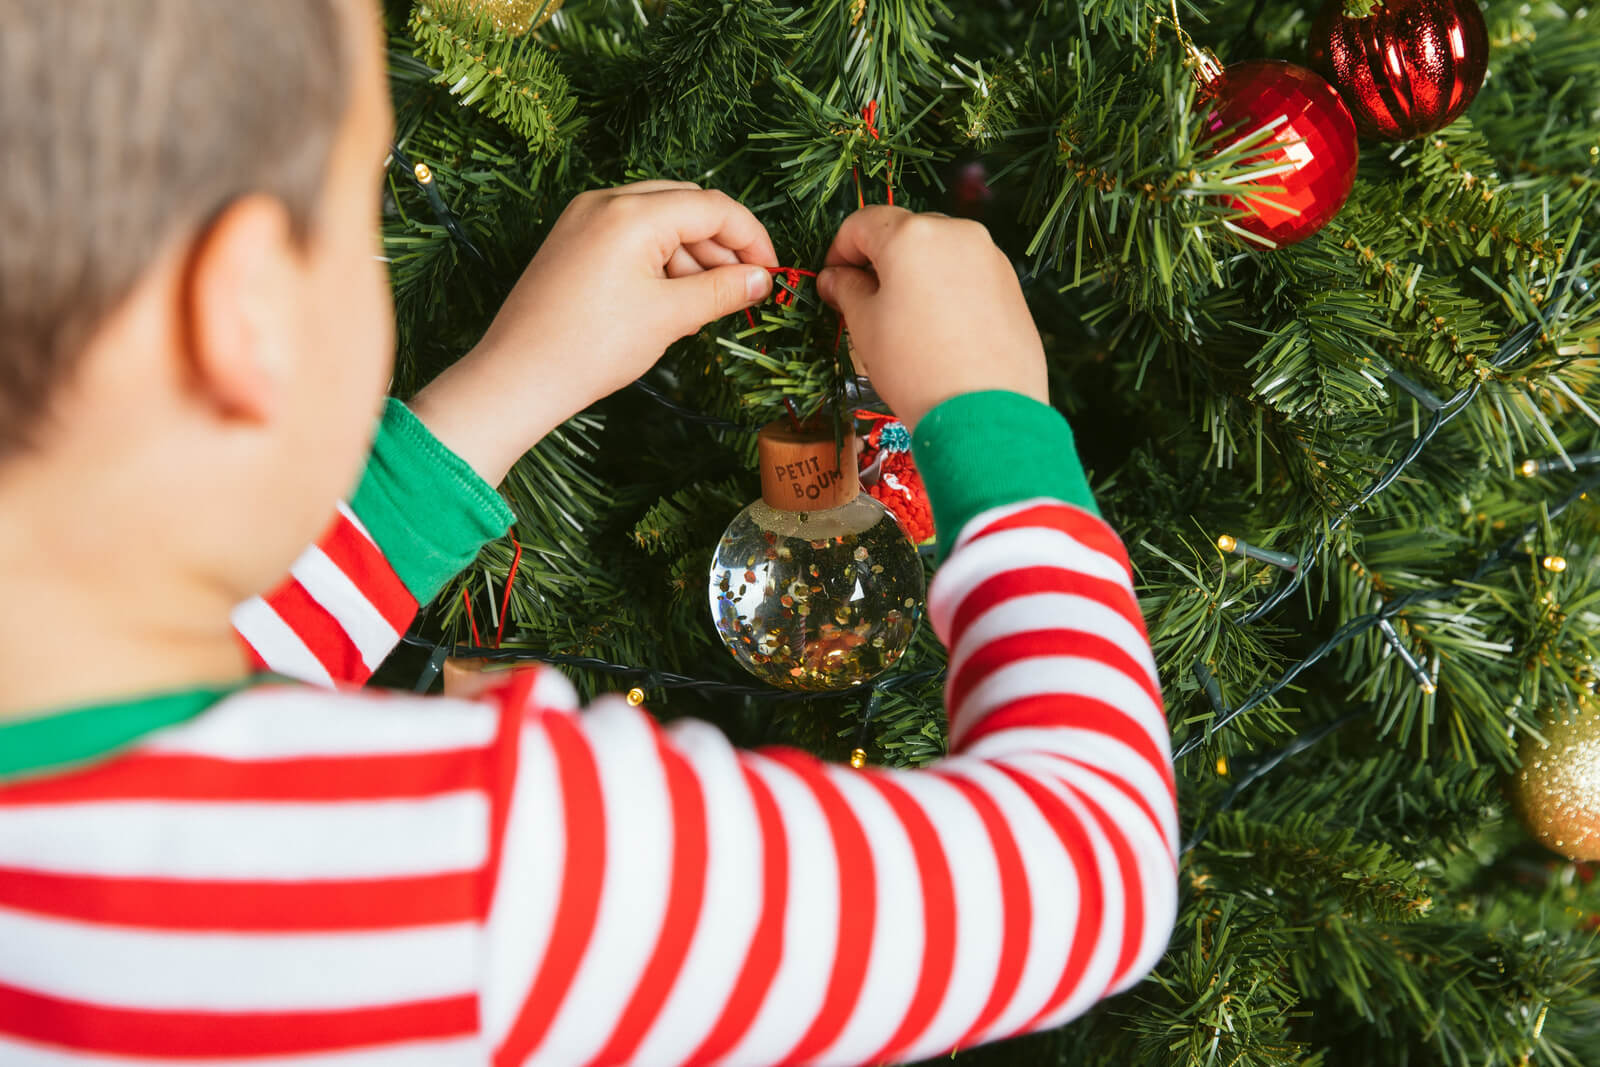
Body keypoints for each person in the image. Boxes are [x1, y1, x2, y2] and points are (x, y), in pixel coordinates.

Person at [0, 0, 1177, 1063]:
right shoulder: (478, 872)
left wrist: (501, 396)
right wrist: (997, 425)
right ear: (242, 307)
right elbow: (1090, 865)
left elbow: (216, 683)